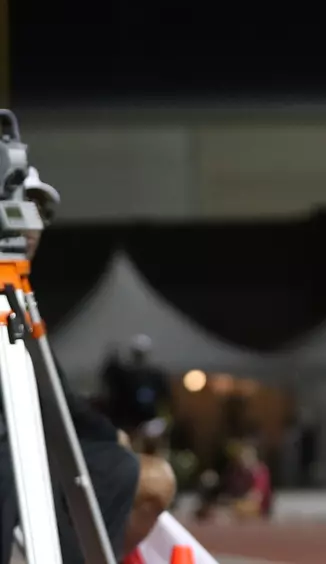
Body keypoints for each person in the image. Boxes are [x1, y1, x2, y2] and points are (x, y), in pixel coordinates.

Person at [0, 172, 176, 564]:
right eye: (20, 205)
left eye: (39, 211)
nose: (31, 223)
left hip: (30, 448)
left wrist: (110, 435)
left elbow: (53, 392)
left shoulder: (16, 296)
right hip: (8, 454)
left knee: (135, 472)